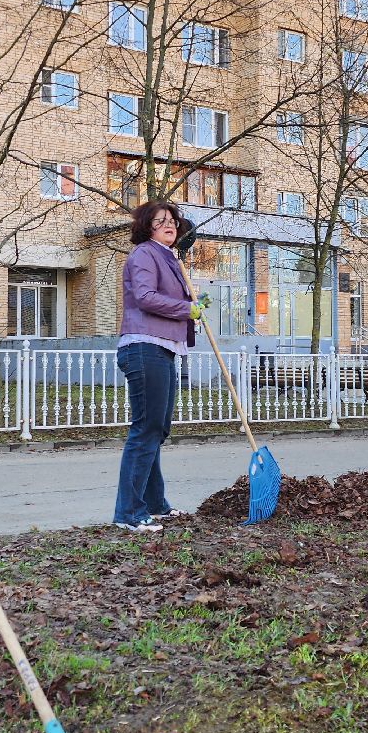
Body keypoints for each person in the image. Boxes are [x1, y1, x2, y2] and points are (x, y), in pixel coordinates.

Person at [114, 201, 200, 532]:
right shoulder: (144, 255)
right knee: (146, 429)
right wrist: (186, 309)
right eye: (160, 221)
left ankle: (154, 504)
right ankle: (128, 513)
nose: (169, 225)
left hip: (161, 348)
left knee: (157, 429)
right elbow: (145, 297)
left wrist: (191, 310)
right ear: (146, 226)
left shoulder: (168, 257)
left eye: (173, 222)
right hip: (144, 346)